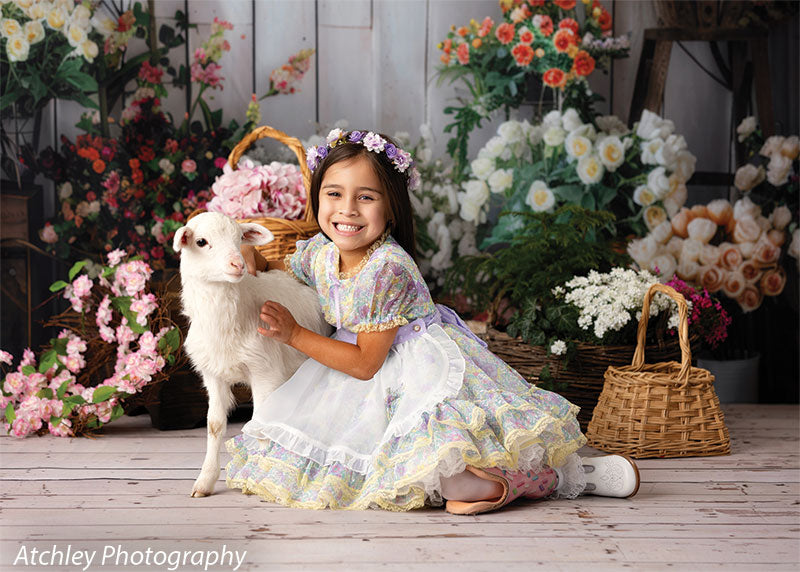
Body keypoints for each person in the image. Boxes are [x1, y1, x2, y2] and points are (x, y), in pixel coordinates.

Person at [227, 129, 639, 514]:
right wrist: (254, 259)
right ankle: (477, 480)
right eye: (334, 193)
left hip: (409, 369)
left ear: (391, 209)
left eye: (366, 197)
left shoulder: (388, 268)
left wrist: (295, 334)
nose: (347, 210)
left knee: (447, 471)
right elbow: (288, 265)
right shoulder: (321, 250)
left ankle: (561, 476)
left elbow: (366, 364)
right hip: (355, 373)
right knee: (295, 448)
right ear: (317, 197)